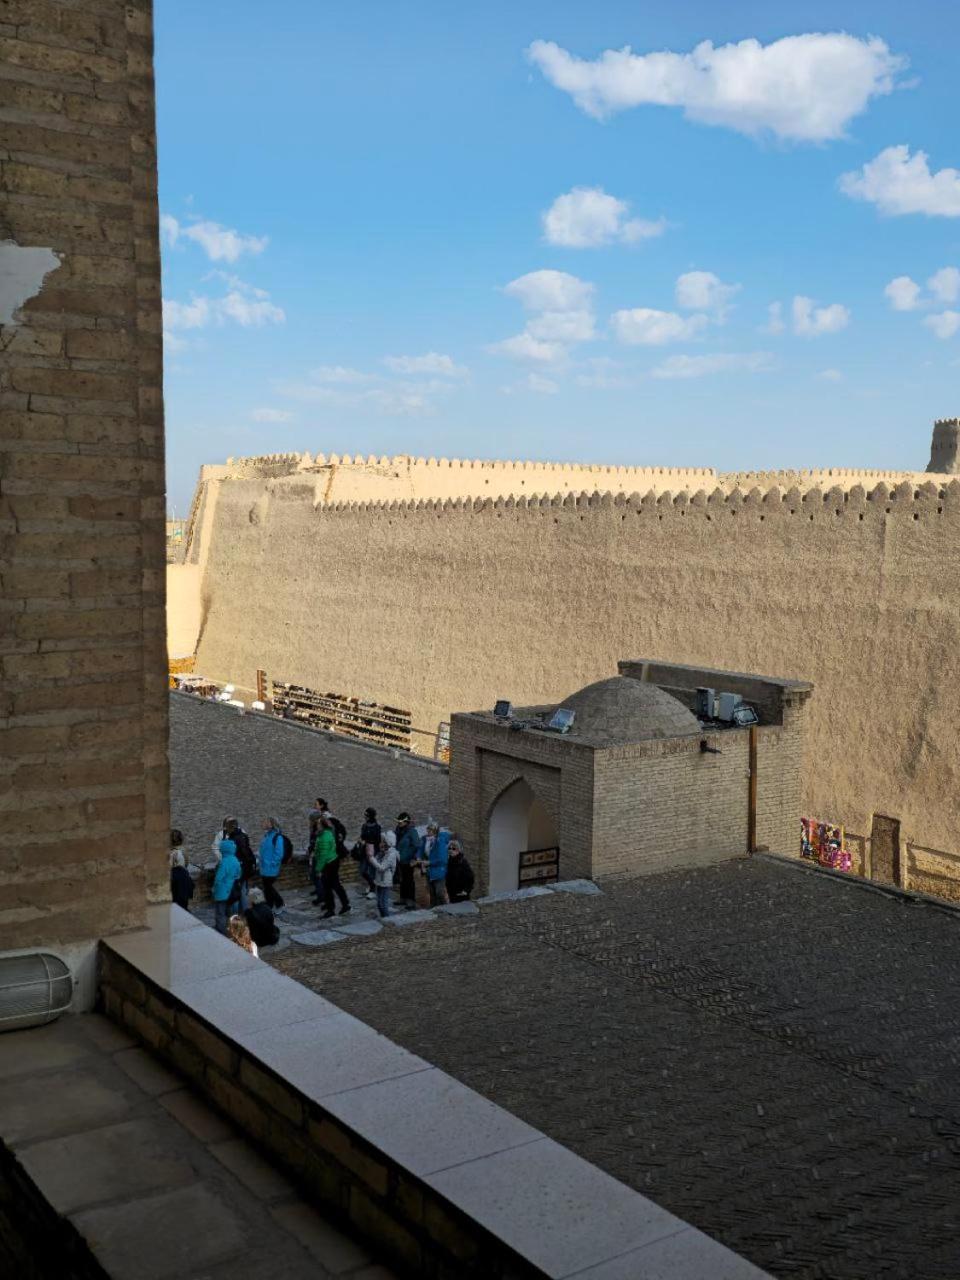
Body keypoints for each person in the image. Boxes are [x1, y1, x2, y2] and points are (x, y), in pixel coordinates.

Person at [318, 811, 350, 917]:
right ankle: (345, 904)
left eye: (318, 825)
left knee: (327, 886)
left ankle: (331, 909)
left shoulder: (325, 835)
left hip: (329, 863)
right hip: (334, 861)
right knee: (335, 884)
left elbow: (324, 853)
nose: (317, 826)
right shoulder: (331, 831)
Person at [257, 817, 288, 912]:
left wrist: (272, 863)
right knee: (267, 887)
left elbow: (279, 853)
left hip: (271, 867)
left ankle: (279, 903)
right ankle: (269, 905)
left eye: (266, 822)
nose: (263, 823)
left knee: (268, 887)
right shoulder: (266, 836)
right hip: (264, 867)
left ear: (271, 824)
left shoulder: (277, 837)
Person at [212, 838, 242, 934]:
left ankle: (220, 929)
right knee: (230, 911)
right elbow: (239, 874)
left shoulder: (224, 862)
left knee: (220, 912)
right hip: (231, 890)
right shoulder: (235, 860)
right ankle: (232, 927)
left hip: (221, 891)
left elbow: (218, 878)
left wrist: (213, 888)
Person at [224, 818, 255, 912]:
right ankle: (245, 912)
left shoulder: (233, 839)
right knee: (243, 890)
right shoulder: (243, 836)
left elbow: (238, 853)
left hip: (237, 868)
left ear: (230, 827)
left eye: (227, 827)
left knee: (236, 892)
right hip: (244, 867)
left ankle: (237, 914)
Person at [394, 811, 422, 910]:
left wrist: (411, 856)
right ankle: (403, 898)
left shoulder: (412, 831)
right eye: (398, 821)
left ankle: (410, 900)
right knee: (402, 879)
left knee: (409, 880)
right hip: (399, 859)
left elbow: (417, 845)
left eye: (401, 822)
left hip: (409, 860)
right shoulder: (398, 830)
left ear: (406, 822)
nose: (399, 823)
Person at [368, 830, 398, 918]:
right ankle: (383, 917)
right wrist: (378, 854)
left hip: (385, 881)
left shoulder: (391, 854)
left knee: (383, 903)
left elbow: (382, 867)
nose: (381, 843)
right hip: (379, 879)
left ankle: (387, 919)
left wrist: (371, 858)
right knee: (379, 903)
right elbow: (376, 861)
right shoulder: (384, 852)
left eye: (383, 841)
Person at [354, 806, 381, 899]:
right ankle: (371, 885)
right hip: (364, 851)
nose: (364, 817)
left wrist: (367, 841)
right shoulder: (364, 826)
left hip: (373, 852)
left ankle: (373, 890)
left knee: (372, 871)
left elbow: (377, 840)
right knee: (363, 871)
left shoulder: (377, 827)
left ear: (370, 816)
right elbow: (362, 836)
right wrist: (360, 840)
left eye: (366, 815)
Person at [169, 829, 194, 911]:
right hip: (184, 878)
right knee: (183, 903)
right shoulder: (183, 850)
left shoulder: (170, 852)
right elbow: (186, 864)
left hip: (174, 880)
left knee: (175, 904)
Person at [426, 826, 450, 906]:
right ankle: (433, 914)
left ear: (435, 832)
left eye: (429, 831)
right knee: (433, 895)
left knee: (439, 894)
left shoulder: (440, 842)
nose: (427, 833)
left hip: (439, 872)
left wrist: (429, 863)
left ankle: (445, 910)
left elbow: (442, 860)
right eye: (427, 831)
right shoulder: (432, 842)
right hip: (431, 872)